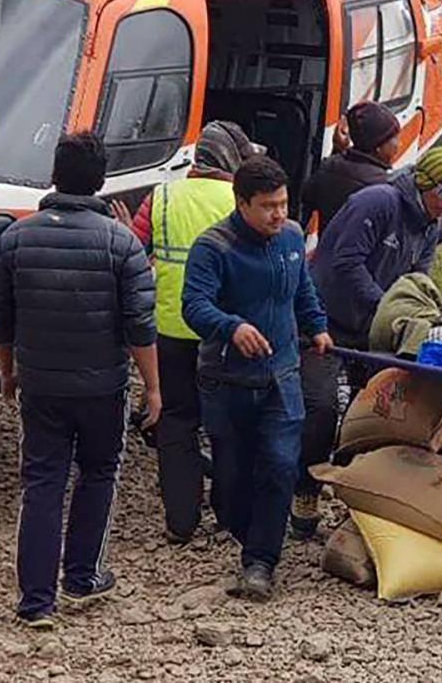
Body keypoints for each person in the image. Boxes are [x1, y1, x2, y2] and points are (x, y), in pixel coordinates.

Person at [0, 131, 162, 630]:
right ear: (101, 182)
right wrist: (153, 386)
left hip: (40, 382)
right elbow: (139, 323)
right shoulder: (120, 242)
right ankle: (82, 575)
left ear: (55, 175)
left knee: (42, 481)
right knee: (99, 473)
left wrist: (7, 371)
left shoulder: (16, 237)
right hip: (103, 385)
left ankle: (35, 600)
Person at [298, 145, 442, 537]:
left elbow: (416, 282)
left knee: (374, 414)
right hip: (327, 319)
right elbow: (345, 262)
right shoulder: (378, 202)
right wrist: (386, 307)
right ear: (423, 184)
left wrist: (414, 318)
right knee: (322, 405)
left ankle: (357, 493)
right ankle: (303, 491)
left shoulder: (430, 225)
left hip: (373, 329)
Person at [181, 157, 331, 601]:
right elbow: (193, 306)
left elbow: (302, 288)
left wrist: (317, 324)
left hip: (282, 375)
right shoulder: (213, 248)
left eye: (283, 203)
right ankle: (241, 529)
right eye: (267, 206)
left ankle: (261, 562)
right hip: (227, 379)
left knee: (282, 464)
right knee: (232, 476)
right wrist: (233, 326)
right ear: (241, 203)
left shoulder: (290, 236)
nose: (278, 214)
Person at [117, 121, 255, 544]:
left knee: (176, 421)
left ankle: (181, 520)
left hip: (170, 330)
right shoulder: (243, 203)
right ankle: (230, 515)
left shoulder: (160, 198)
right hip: (227, 332)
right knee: (228, 423)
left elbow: (133, 256)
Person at [299, 100, 402, 232]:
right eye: (394, 139)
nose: (399, 144)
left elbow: (308, 197)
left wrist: (336, 150)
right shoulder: (383, 186)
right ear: (378, 147)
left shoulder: (329, 166)